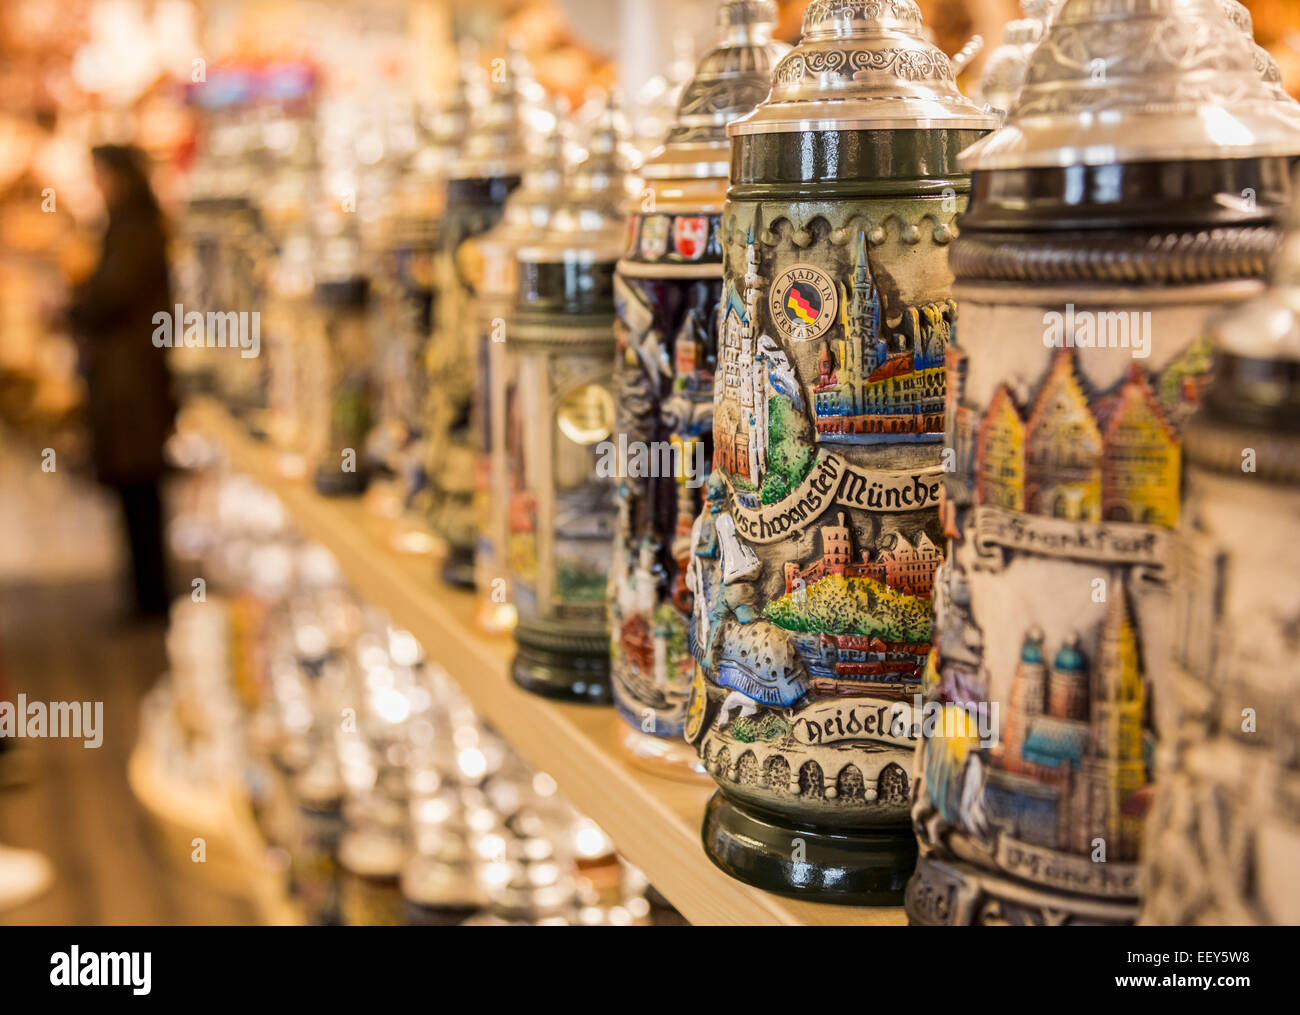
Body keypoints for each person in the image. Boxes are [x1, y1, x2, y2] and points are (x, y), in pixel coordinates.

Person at [67, 145, 176, 618]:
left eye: (102, 176)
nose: (99, 187)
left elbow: (111, 295)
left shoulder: (135, 230)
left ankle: (151, 598)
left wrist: (74, 306)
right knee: (135, 496)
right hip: (127, 380)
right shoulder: (128, 227)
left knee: (141, 493)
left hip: (132, 386)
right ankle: (145, 595)